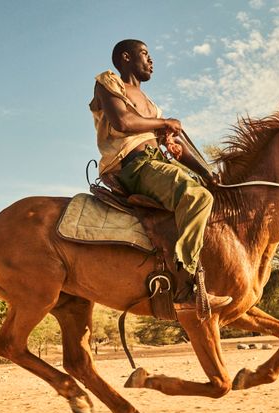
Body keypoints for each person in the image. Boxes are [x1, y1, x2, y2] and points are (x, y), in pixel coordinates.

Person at [88, 39, 231, 312]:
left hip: (158, 162)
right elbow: (123, 122)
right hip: (133, 165)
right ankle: (186, 284)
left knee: (209, 194)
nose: (151, 60)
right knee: (197, 198)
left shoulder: (152, 107)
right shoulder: (109, 82)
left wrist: (207, 173)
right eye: (145, 54)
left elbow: (177, 144)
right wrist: (165, 124)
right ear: (126, 57)